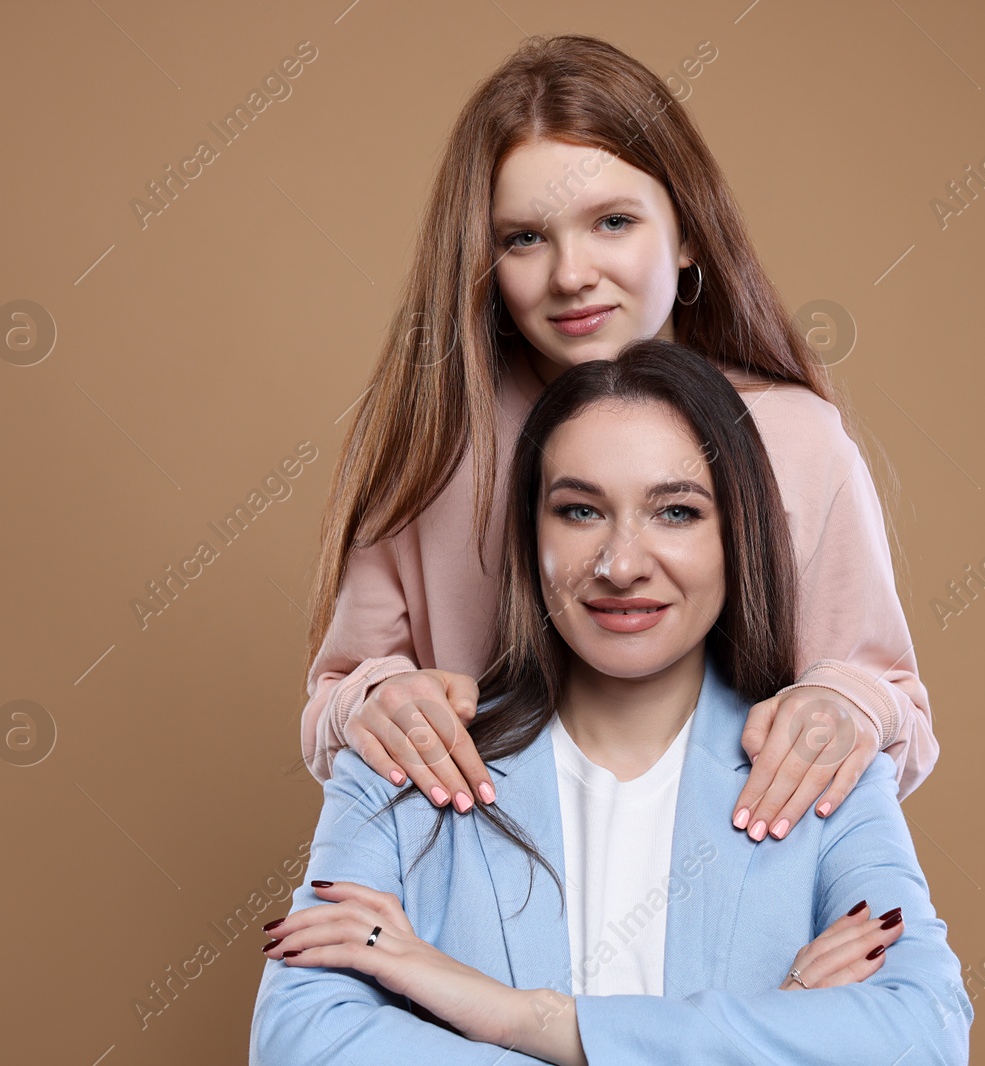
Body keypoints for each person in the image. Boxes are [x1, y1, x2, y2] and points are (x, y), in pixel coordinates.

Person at [252, 341, 971, 1065]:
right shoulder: (400, 761)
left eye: (677, 512)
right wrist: (763, 1028)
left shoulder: (830, 769)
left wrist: (521, 1018)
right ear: (531, 536)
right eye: (580, 510)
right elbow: (301, 1045)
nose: (622, 565)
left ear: (736, 532)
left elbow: (926, 1036)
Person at [301, 33, 938, 847]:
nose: (572, 274)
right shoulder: (437, 447)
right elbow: (338, 697)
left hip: (736, 911)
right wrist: (375, 703)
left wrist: (854, 706)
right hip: (491, 909)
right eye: (524, 237)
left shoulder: (796, 443)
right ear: (482, 262)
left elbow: (895, 709)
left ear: (686, 233)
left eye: (612, 221)